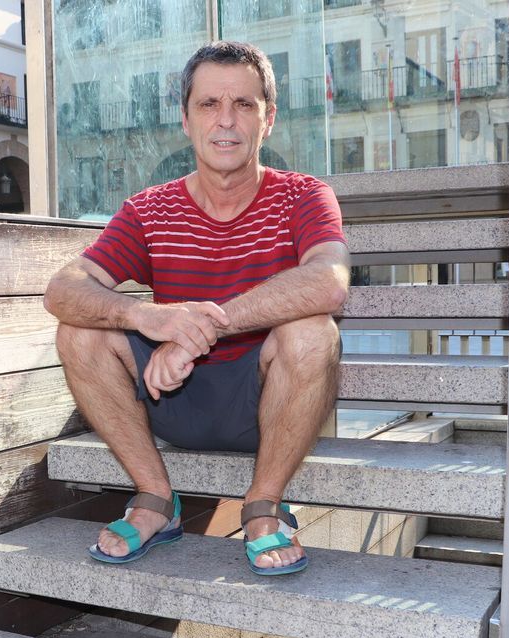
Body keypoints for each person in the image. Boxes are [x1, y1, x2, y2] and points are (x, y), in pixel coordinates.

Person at [43, 41, 350, 575]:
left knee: (313, 331)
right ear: (186, 119)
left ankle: (262, 507)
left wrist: (197, 330)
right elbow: (63, 290)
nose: (225, 121)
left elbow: (329, 281)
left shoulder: (305, 196)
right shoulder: (149, 208)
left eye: (244, 105)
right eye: (209, 104)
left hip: (267, 406)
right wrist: (148, 317)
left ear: (268, 119)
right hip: (172, 401)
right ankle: (157, 499)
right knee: (78, 331)